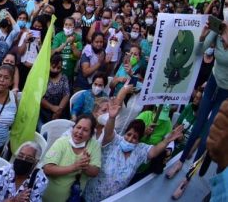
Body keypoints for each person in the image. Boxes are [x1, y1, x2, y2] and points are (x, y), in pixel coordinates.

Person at [83, 99, 183, 202]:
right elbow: (108, 131)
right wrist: (112, 118)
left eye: (135, 137)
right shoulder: (115, 140)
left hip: (114, 199)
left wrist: (167, 140)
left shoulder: (140, 150)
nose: (130, 139)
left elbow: (154, 152)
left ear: (139, 140)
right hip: (90, 196)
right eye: (129, 134)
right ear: (125, 133)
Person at [167, 23, 228, 189]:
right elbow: (199, 52)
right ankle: (180, 162)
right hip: (212, 85)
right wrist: (202, 36)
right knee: (196, 127)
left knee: (206, 137)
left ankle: (188, 177)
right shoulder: (219, 29)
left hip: (225, 94)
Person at [41, 114, 101, 202]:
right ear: (73, 128)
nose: (80, 132)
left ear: (91, 134)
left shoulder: (94, 145)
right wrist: (74, 167)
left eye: (85, 130)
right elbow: (47, 169)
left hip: (74, 197)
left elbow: (95, 172)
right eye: (78, 127)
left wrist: (85, 166)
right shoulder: (62, 142)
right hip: (51, 197)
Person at [40, 55, 70, 125]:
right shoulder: (43, 77)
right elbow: (39, 97)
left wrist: (58, 111)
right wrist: (52, 107)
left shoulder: (64, 78)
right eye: (53, 67)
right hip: (44, 112)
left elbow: (66, 95)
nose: (56, 70)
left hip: (60, 111)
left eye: (58, 68)